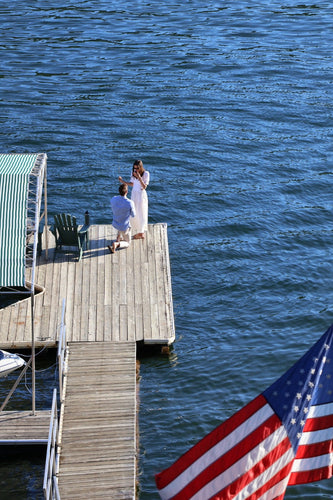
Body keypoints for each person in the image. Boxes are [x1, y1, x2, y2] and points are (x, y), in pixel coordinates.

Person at [118, 159, 150, 239]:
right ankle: (133, 229)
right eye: (134, 168)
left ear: (141, 167)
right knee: (133, 212)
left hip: (141, 195)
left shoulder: (146, 174)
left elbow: (144, 187)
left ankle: (141, 232)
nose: (136, 170)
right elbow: (132, 184)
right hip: (134, 194)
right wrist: (123, 182)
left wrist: (139, 178)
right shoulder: (133, 173)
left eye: (137, 168)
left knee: (141, 213)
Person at [108, 183, 136, 253]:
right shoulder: (130, 203)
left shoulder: (113, 199)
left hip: (115, 224)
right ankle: (117, 244)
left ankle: (118, 237)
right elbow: (133, 215)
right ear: (126, 192)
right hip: (124, 227)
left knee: (120, 219)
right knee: (128, 243)